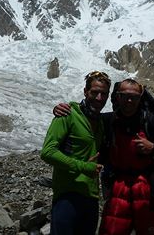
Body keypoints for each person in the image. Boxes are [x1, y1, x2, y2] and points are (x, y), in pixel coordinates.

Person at [53, 78, 154, 235]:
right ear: (117, 97)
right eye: (125, 96)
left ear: (141, 98)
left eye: (134, 97)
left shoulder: (150, 122)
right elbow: (82, 115)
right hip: (119, 188)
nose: (129, 100)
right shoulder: (108, 120)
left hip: (146, 190)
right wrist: (62, 109)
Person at [41, 71, 111, 235]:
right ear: (85, 92)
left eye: (104, 94)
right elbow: (47, 152)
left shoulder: (101, 122)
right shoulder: (67, 114)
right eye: (94, 92)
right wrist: (82, 166)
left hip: (91, 197)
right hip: (67, 195)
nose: (99, 98)